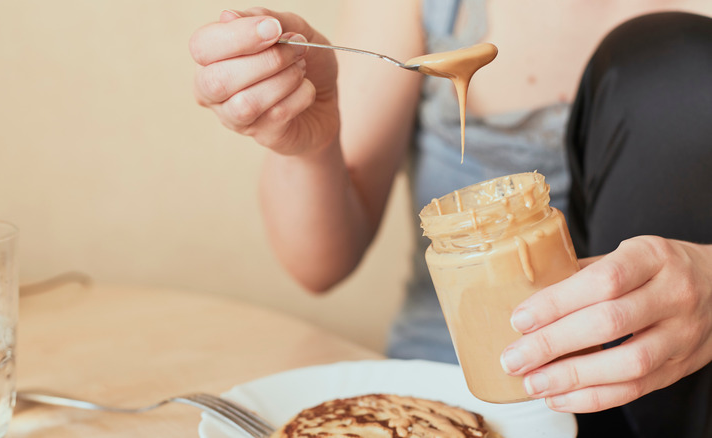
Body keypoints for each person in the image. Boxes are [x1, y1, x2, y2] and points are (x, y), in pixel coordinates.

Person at [189, 1, 712, 436]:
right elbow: (320, 266)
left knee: (674, 63)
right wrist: (308, 145)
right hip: (437, 400)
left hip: (667, 407)